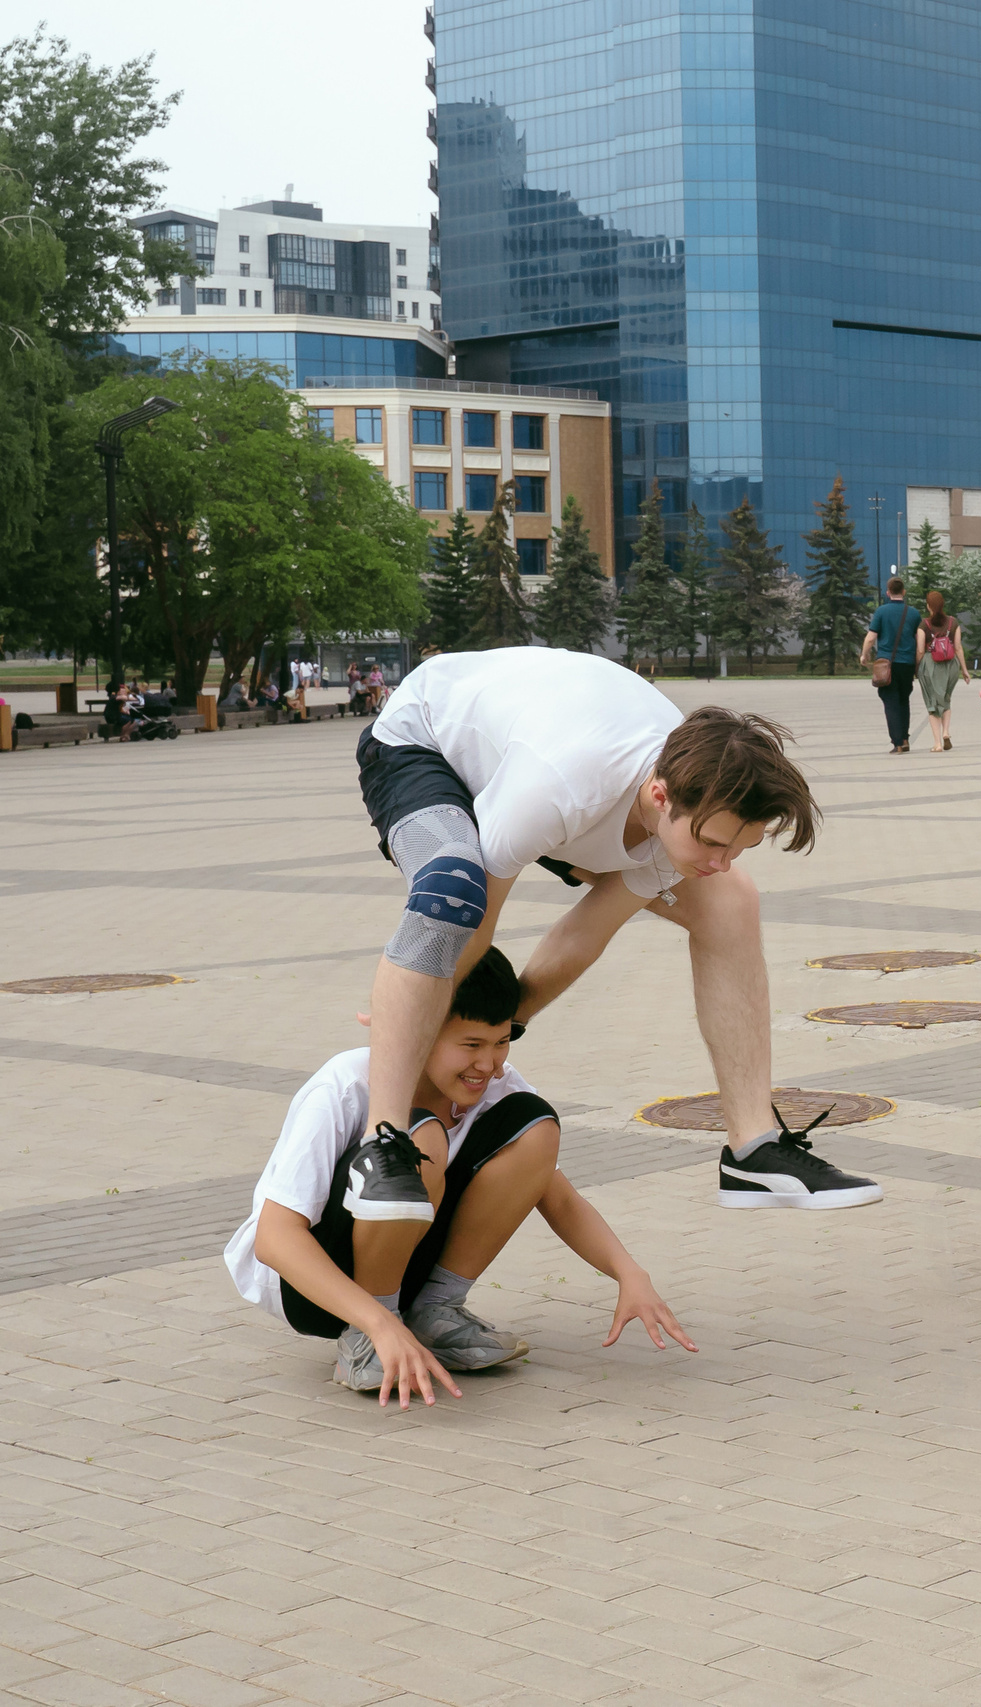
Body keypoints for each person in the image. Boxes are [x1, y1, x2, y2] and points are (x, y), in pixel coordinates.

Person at [355, 646, 881, 1215]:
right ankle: (380, 1143)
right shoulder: (556, 787)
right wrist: (413, 1022)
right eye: (712, 842)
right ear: (662, 797)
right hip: (424, 740)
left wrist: (510, 1022)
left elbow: (589, 929)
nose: (721, 859)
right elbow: (475, 930)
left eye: (739, 846)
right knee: (455, 888)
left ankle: (751, 1152)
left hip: (565, 779)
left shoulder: (676, 803)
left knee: (729, 899)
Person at [223, 947, 695, 1405]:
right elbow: (275, 1239)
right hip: (312, 1290)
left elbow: (556, 1194)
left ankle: (435, 1313)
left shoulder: (497, 1083)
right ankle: (366, 1339)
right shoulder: (346, 1084)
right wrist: (380, 1323)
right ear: (417, 1031)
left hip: (405, 1264)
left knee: (533, 1124)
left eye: (501, 1041)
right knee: (421, 1137)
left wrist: (628, 1274)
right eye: (470, 1045)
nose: (488, 1065)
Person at [860, 576, 922, 754]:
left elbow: (871, 637)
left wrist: (864, 655)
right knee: (904, 700)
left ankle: (897, 743)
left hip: (886, 664)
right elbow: (919, 640)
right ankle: (905, 738)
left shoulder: (881, 612)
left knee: (890, 702)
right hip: (907, 664)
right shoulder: (913, 613)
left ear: (888, 593)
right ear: (904, 592)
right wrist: (917, 662)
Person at [916, 588, 970, 752]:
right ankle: (946, 732)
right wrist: (965, 670)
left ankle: (937, 743)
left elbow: (919, 650)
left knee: (932, 703)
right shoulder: (953, 623)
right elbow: (959, 647)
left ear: (929, 606)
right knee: (946, 699)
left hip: (931, 664)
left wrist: (917, 667)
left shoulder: (924, 624)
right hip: (951, 665)